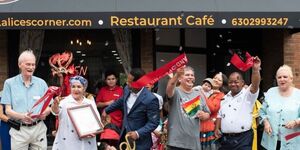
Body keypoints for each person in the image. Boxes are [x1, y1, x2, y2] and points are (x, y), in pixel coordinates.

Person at [1, 50, 49, 150]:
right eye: (28, 64)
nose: (31, 67)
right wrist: (22, 116)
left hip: (38, 128)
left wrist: (45, 113)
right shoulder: (9, 83)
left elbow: (48, 107)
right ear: (20, 65)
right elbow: (7, 111)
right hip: (19, 130)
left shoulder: (42, 83)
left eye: (33, 64)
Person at [102, 68, 160, 150]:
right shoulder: (127, 89)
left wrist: (138, 133)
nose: (127, 83)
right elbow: (121, 101)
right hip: (124, 137)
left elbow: (153, 122)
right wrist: (106, 110)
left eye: (130, 82)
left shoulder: (151, 99)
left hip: (141, 143)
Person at [214, 56, 261, 150]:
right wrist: (216, 129)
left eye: (236, 82)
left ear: (242, 83)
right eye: (230, 82)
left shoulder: (248, 95)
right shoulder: (225, 98)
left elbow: (255, 85)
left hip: (243, 139)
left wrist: (255, 70)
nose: (233, 84)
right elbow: (220, 114)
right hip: (226, 139)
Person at [166, 66, 210, 150]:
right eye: (187, 75)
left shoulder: (199, 94)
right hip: (176, 143)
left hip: (194, 143)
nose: (190, 77)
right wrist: (176, 75)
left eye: (192, 75)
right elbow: (169, 87)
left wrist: (204, 115)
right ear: (180, 79)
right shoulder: (175, 91)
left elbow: (207, 113)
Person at [51, 75, 101, 150]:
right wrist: (55, 104)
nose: (75, 89)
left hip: (86, 141)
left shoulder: (89, 103)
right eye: (73, 86)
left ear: (84, 88)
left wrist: (94, 131)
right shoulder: (64, 101)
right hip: (68, 142)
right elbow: (55, 112)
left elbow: (97, 121)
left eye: (79, 87)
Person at [260, 65, 300, 150]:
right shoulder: (270, 92)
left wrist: (295, 122)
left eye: (285, 77)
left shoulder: (298, 94)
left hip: (292, 141)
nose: (282, 79)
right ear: (276, 79)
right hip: (270, 140)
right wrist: (265, 122)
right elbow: (262, 112)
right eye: (279, 77)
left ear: (291, 79)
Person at [199, 72, 228, 150]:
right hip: (199, 127)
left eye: (219, 80)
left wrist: (203, 95)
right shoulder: (205, 90)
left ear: (222, 84)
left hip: (211, 128)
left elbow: (212, 109)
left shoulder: (221, 95)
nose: (216, 80)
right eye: (215, 78)